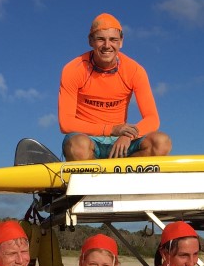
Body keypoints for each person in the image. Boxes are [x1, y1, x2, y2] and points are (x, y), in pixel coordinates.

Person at [58, 12, 171, 160]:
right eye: (100, 39)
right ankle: (95, 171)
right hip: (88, 138)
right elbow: (66, 123)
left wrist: (128, 135)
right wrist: (111, 129)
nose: (107, 45)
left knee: (161, 142)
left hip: (121, 140)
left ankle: (121, 170)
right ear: (90, 41)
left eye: (113, 39)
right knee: (78, 146)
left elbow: (152, 119)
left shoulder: (134, 70)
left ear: (121, 42)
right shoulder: (74, 69)